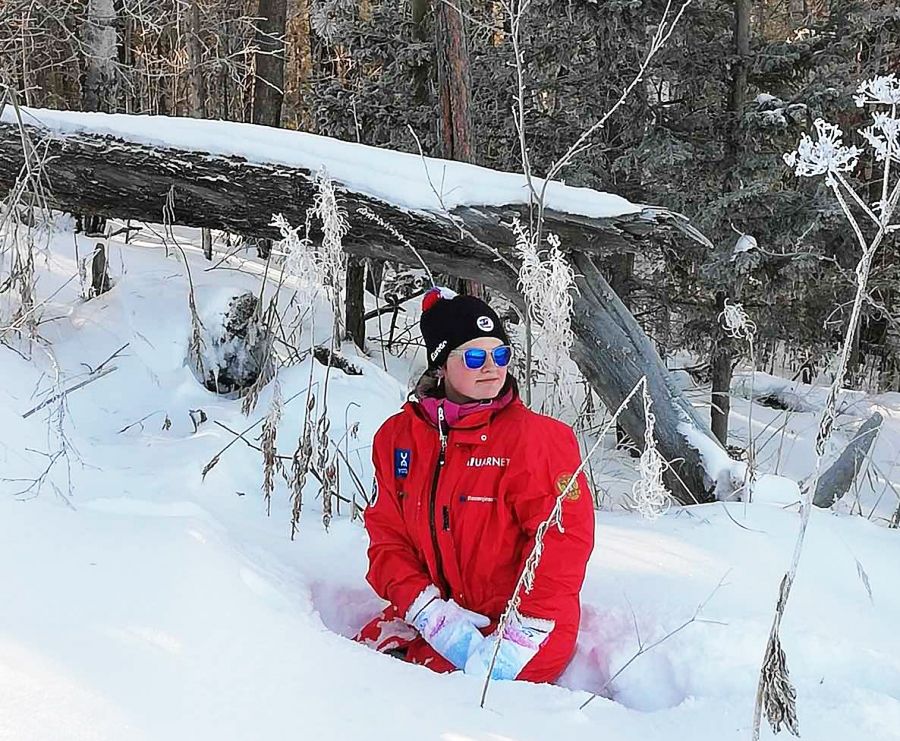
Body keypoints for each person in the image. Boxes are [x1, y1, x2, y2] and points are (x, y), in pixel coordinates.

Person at [355, 287, 594, 682]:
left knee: (443, 696)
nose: (492, 368)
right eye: (474, 356)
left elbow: (564, 542)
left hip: (528, 626)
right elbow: (387, 539)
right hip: (435, 616)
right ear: (440, 366)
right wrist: (427, 611)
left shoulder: (537, 440)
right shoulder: (398, 438)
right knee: (362, 671)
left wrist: (524, 630)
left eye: (500, 355)